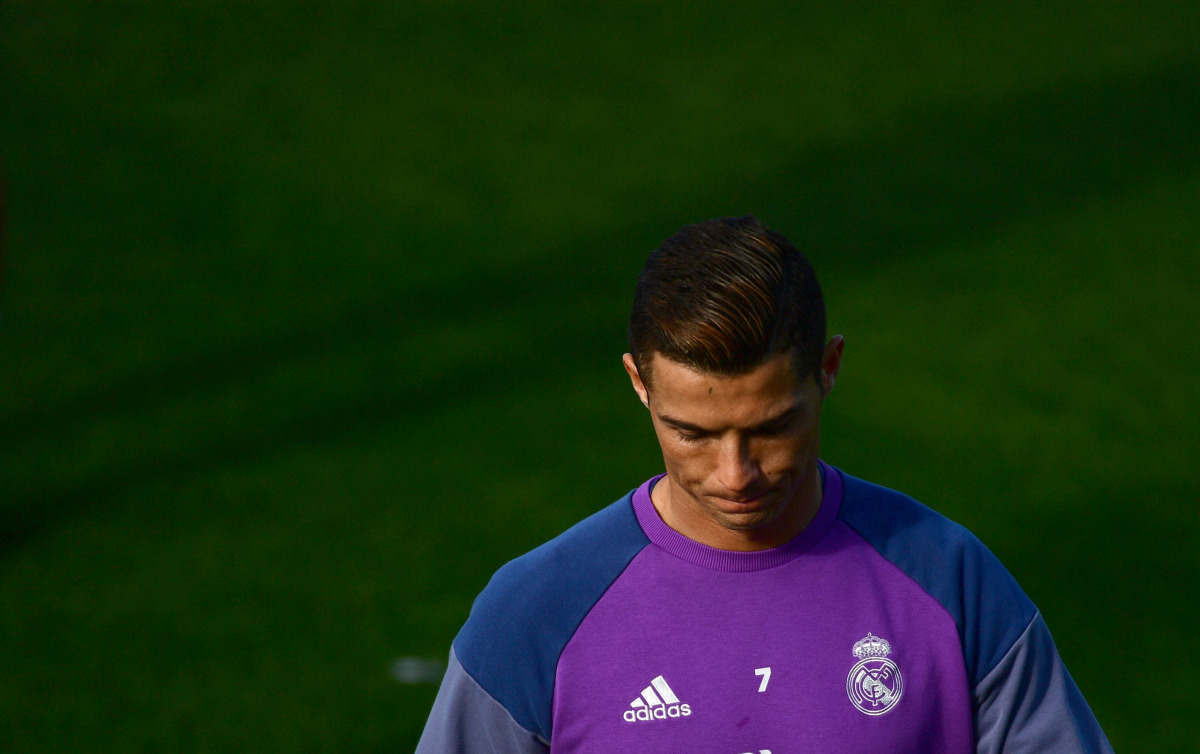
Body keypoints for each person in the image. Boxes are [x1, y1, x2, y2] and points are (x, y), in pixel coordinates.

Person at [416, 216, 1112, 753]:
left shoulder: (952, 584)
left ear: (829, 370)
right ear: (638, 384)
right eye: (693, 432)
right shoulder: (536, 614)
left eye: (773, 427)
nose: (736, 475)